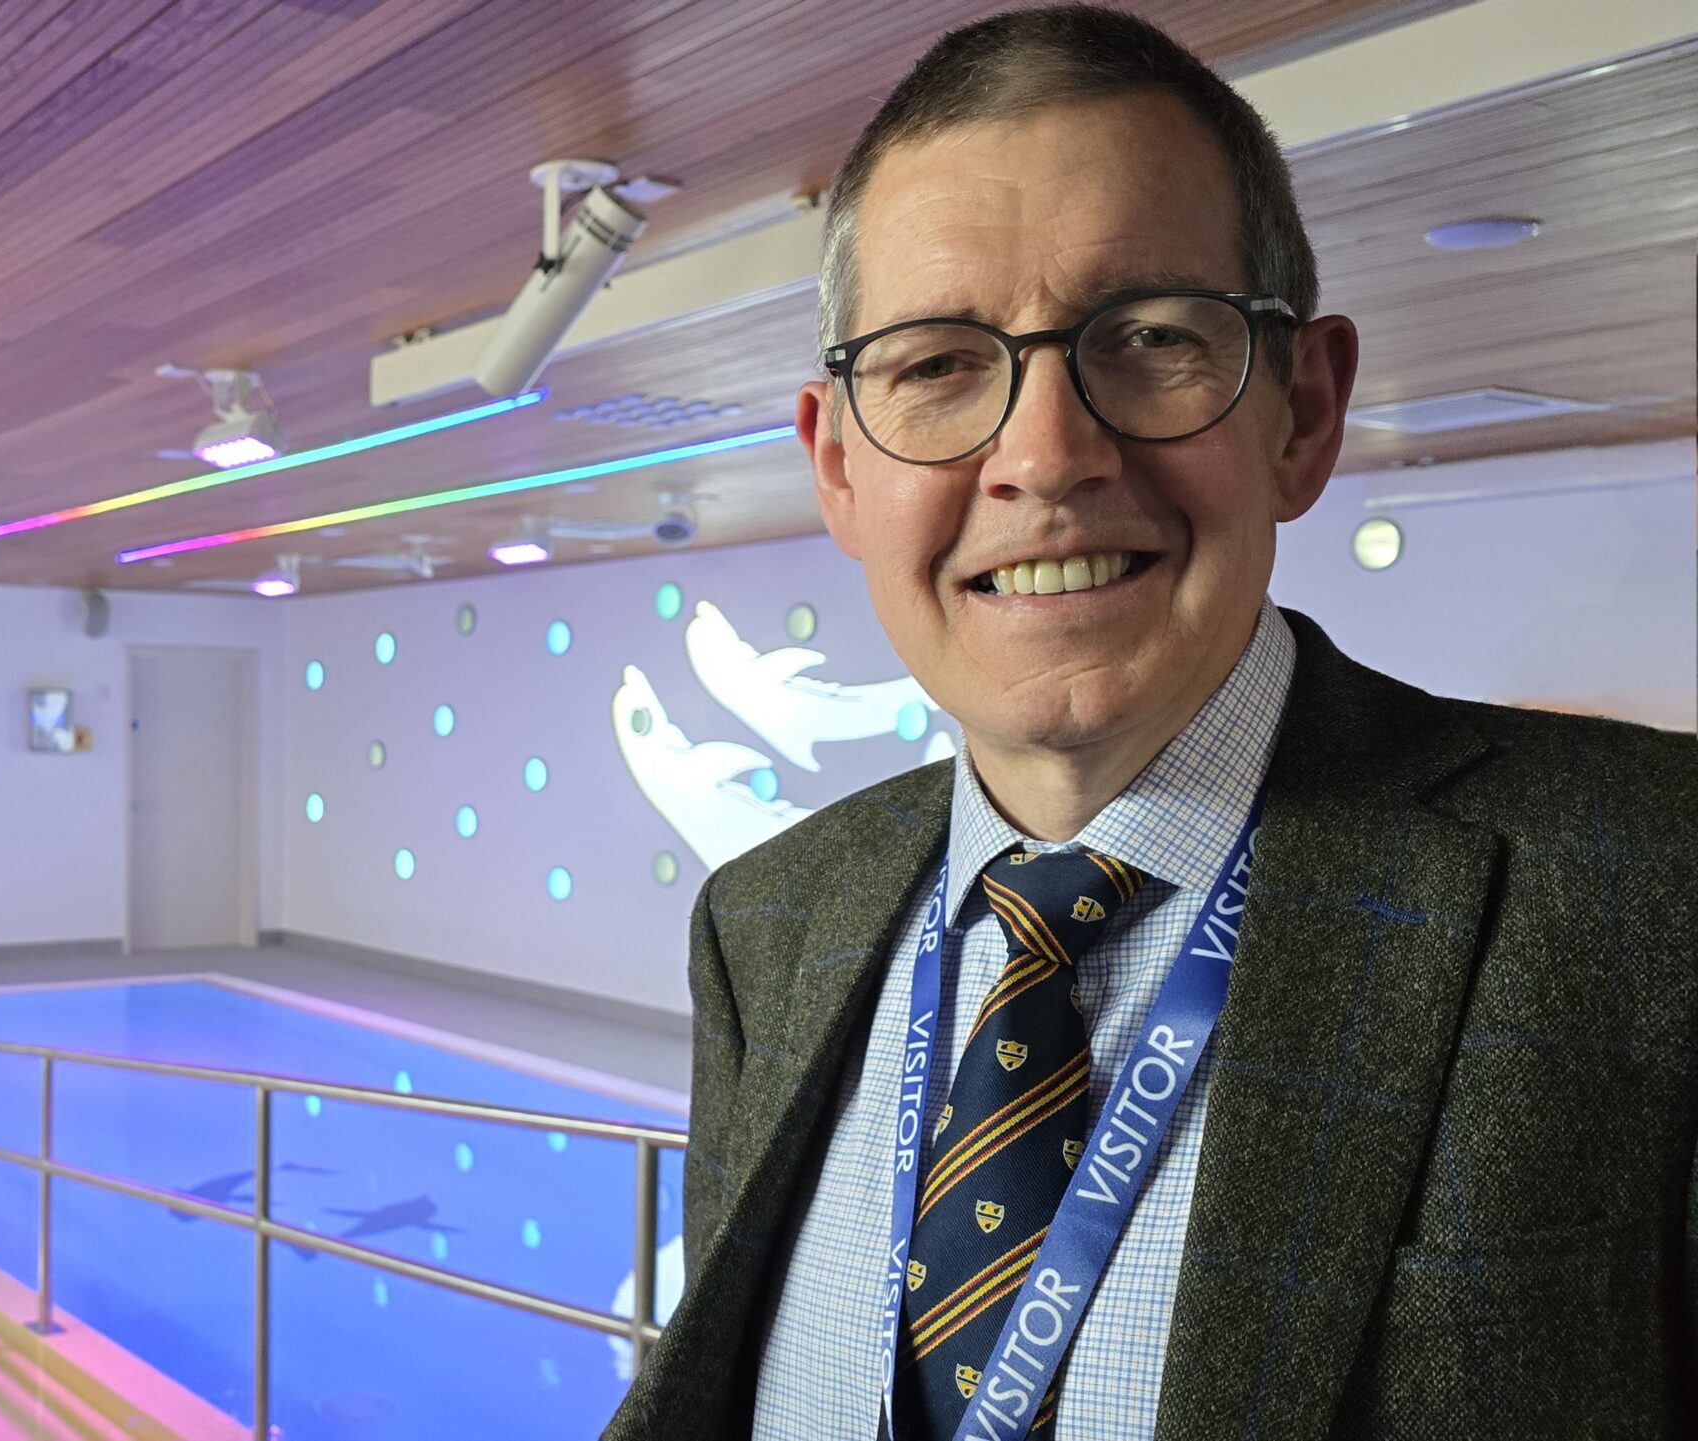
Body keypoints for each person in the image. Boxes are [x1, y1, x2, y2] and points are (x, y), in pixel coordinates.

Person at [602, 7, 1697, 1439]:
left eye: (1151, 338)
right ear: (837, 465)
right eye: (937, 363)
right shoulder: (765, 927)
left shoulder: (1652, 886)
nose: (1047, 454)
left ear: (1301, 413)